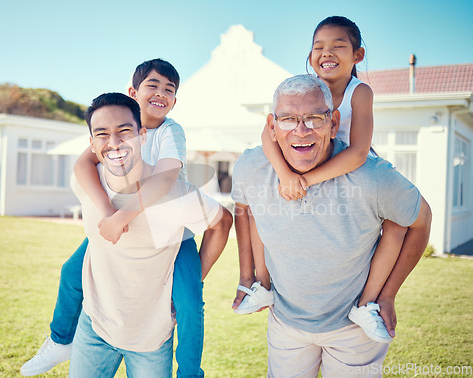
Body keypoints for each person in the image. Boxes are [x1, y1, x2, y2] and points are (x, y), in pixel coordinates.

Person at [231, 74, 432, 377]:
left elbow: (421, 221)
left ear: (334, 123)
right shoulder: (251, 168)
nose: (301, 130)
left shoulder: (373, 177)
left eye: (314, 117)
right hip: (286, 325)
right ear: (272, 127)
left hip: (354, 330)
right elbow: (243, 211)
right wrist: (251, 277)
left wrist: (387, 295)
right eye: (288, 119)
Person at [21, 59, 209, 377]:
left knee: (188, 302)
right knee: (71, 273)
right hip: (122, 228)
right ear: (133, 92)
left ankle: (190, 371)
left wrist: (123, 215)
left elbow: (166, 178)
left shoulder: (169, 130)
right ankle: (60, 340)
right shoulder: (111, 128)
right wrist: (108, 214)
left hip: (172, 236)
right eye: (153, 85)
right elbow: (83, 166)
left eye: (170, 89)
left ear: (175, 101)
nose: (161, 93)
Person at [233, 16, 408, 344]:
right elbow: (267, 135)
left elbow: (357, 153)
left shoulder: (360, 92)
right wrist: (286, 175)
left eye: (338, 46)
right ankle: (263, 285)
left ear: (358, 55)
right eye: (319, 47)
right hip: (306, 162)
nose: (327, 53)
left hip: (350, 164)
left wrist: (306, 180)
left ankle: (368, 301)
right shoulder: (303, 89)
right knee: (259, 210)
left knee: (395, 225)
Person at [70, 92, 231, 376]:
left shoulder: (176, 196)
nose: (115, 143)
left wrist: (196, 277)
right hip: (94, 326)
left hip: (151, 338)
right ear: (92, 144)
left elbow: (222, 222)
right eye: (102, 134)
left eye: (124, 132)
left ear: (143, 135)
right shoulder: (85, 183)